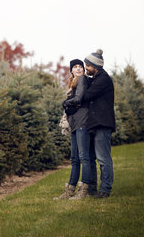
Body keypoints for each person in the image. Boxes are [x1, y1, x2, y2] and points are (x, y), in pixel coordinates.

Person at [54, 59, 96, 200]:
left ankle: (84, 191)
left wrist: (65, 102)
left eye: (80, 67)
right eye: (75, 67)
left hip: (82, 121)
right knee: (74, 158)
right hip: (74, 123)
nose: (78, 69)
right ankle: (70, 190)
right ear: (71, 70)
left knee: (84, 157)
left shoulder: (82, 79)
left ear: (83, 70)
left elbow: (78, 99)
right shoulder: (72, 83)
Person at [83, 49, 116, 198]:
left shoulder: (103, 79)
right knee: (90, 158)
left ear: (94, 66)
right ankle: (91, 188)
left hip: (102, 123)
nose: (85, 69)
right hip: (93, 123)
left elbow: (87, 95)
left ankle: (105, 189)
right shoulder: (96, 78)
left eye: (87, 66)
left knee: (103, 158)